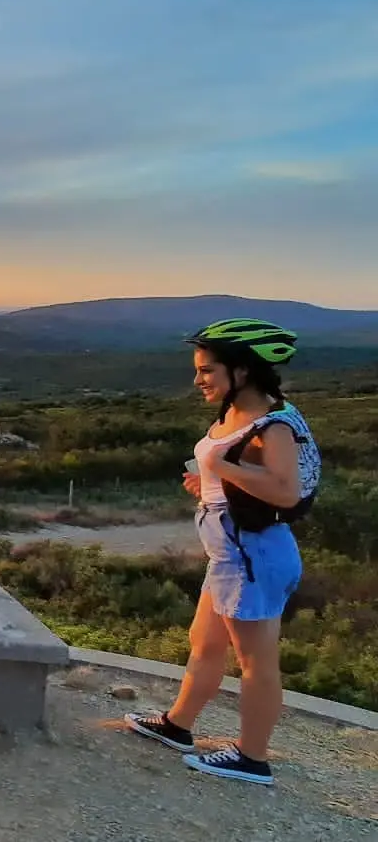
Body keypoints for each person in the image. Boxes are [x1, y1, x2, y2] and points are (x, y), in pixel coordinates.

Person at [124, 318, 319, 786]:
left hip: (253, 555)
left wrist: (218, 467)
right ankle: (178, 725)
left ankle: (252, 757)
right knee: (206, 643)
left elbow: (286, 491)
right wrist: (210, 480)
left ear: (244, 371)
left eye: (208, 370)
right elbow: (235, 475)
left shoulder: (273, 425)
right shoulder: (236, 414)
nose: (198, 380)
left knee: (256, 661)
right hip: (233, 555)